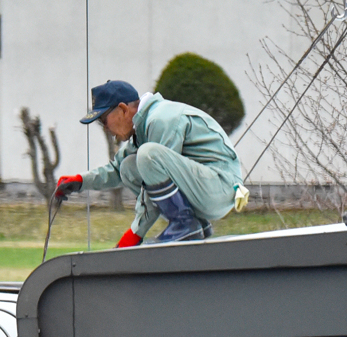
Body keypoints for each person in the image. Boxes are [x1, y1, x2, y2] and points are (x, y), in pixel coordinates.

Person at [55, 79, 243, 246]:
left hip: (221, 187)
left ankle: (184, 225)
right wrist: (81, 181)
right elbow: (118, 169)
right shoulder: (144, 126)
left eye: (104, 120)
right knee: (129, 166)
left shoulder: (161, 119)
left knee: (147, 155)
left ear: (123, 109)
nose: (106, 129)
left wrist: (135, 233)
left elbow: (153, 174)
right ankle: (195, 225)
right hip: (208, 187)